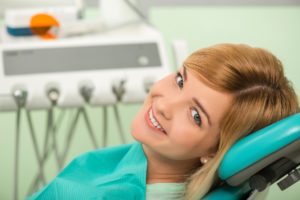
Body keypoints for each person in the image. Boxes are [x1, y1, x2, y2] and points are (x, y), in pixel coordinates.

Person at [28, 43, 299, 200]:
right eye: (180, 81)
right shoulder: (140, 162)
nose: (164, 104)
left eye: (196, 116)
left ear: (215, 152)